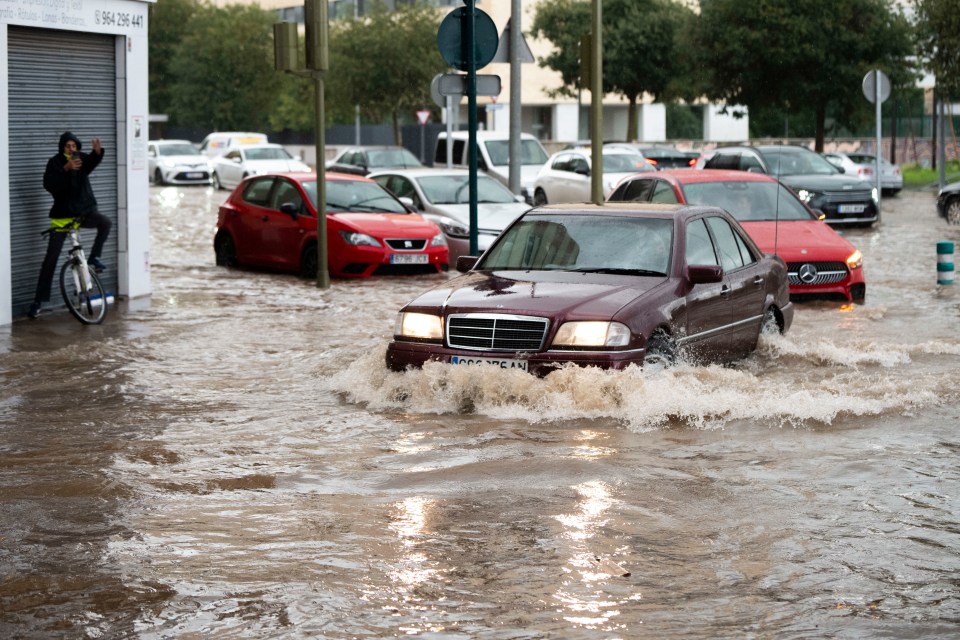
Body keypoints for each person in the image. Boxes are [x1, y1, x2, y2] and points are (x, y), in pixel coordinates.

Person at [27, 132, 111, 319]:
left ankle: (94, 258)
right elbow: (49, 185)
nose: (72, 149)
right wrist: (65, 168)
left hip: (82, 213)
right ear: (62, 147)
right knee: (51, 259)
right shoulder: (55, 163)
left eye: (74, 146)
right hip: (62, 217)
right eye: (68, 146)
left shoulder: (80, 159)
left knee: (105, 223)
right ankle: (38, 301)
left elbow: (90, 164)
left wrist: (97, 154)